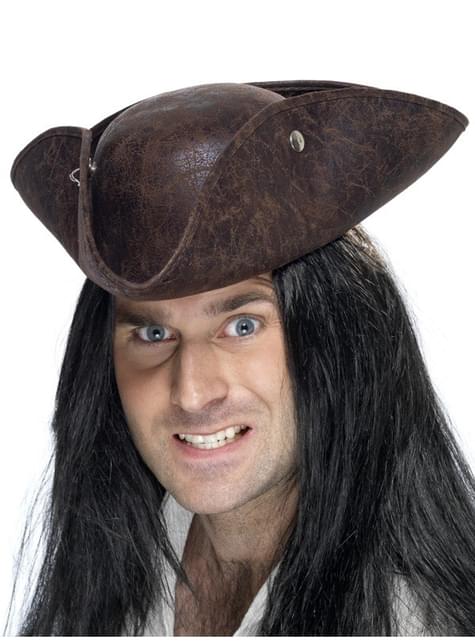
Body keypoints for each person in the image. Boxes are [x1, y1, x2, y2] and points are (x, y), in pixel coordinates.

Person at [7, 80, 475, 636]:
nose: (191, 393)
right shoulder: (115, 571)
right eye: (154, 332)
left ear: (337, 341)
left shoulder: (417, 623)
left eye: (242, 326)